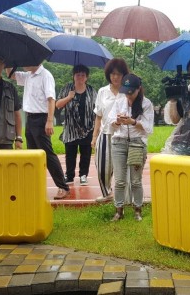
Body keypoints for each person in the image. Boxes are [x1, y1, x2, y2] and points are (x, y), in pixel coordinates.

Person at [10, 62, 70, 200]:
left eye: (26, 60)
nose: (24, 63)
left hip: (41, 119)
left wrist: (49, 121)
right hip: (30, 118)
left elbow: (51, 99)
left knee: (47, 154)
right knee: (32, 154)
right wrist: (11, 58)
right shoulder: (28, 76)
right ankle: (34, 186)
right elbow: (10, 74)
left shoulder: (45, 75)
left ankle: (63, 187)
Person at [108, 74, 154, 221]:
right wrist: (117, 121)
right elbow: (109, 123)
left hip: (137, 143)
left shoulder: (146, 104)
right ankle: (119, 211)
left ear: (138, 89)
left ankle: (138, 210)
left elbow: (148, 128)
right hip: (119, 142)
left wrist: (133, 122)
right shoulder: (119, 101)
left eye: (131, 92)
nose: (128, 96)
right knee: (120, 180)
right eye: (125, 92)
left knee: (136, 180)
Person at [92, 58, 129, 202]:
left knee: (122, 167)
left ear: (123, 75)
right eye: (113, 74)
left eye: (119, 74)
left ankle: (124, 196)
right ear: (109, 74)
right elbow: (98, 116)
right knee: (102, 167)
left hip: (123, 135)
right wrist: (94, 137)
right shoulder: (102, 91)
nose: (115, 77)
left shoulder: (128, 91)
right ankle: (107, 193)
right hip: (105, 133)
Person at [56, 65, 97, 186]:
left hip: (87, 128)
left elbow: (98, 108)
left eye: (83, 75)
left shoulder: (91, 91)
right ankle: (69, 175)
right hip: (71, 128)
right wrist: (69, 97)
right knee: (70, 153)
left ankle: (83, 175)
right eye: (78, 74)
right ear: (73, 76)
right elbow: (58, 104)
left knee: (86, 153)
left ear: (87, 77)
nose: (80, 77)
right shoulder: (67, 88)